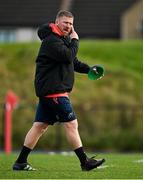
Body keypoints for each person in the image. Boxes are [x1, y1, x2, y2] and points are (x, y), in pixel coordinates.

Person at [12, 10, 105, 171]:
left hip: (50, 92)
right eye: (65, 23)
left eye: (71, 24)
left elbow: (72, 62)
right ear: (57, 22)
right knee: (71, 124)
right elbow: (68, 56)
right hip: (55, 91)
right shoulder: (51, 40)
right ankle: (85, 162)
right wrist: (75, 41)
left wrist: (90, 70)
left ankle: (20, 162)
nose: (68, 26)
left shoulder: (62, 40)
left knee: (39, 126)